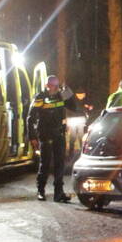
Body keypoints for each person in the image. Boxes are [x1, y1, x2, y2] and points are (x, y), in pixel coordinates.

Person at [27, 74, 80, 202]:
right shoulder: (40, 97)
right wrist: (32, 137)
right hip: (45, 135)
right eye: (52, 85)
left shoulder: (60, 96)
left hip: (59, 134)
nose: (54, 88)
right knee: (44, 164)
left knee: (59, 164)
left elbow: (74, 107)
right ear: (47, 85)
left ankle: (58, 193)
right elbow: (30, 118)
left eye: (56, 86)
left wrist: (69, 92)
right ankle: (41, 191)